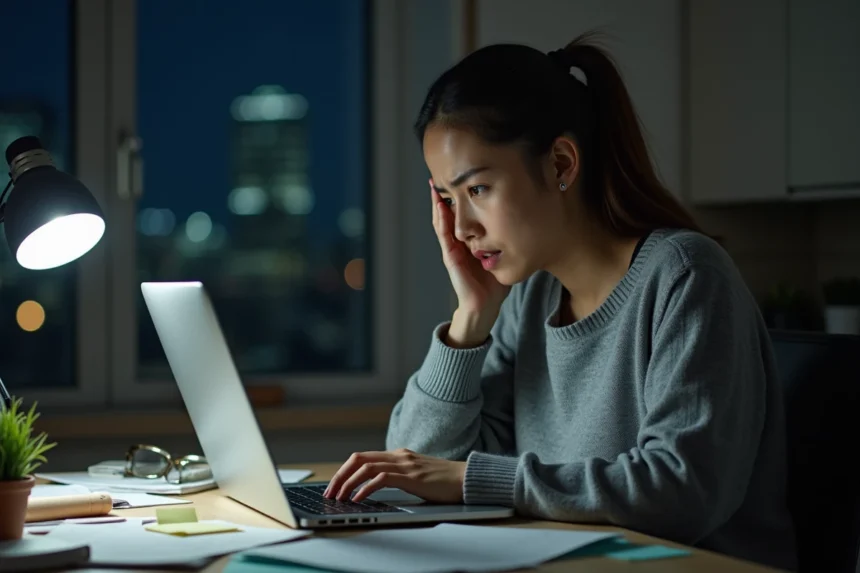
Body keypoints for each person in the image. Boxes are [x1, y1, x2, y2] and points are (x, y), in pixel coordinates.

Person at [323, 33, 797, 571]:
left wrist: (475, 479)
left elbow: (679, 493)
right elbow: (416, 466)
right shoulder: (530, 298)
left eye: (477, 190)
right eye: (449, 200)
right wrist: (470, 319)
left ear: (561, 164)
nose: (462, 228)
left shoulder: (685, 275)